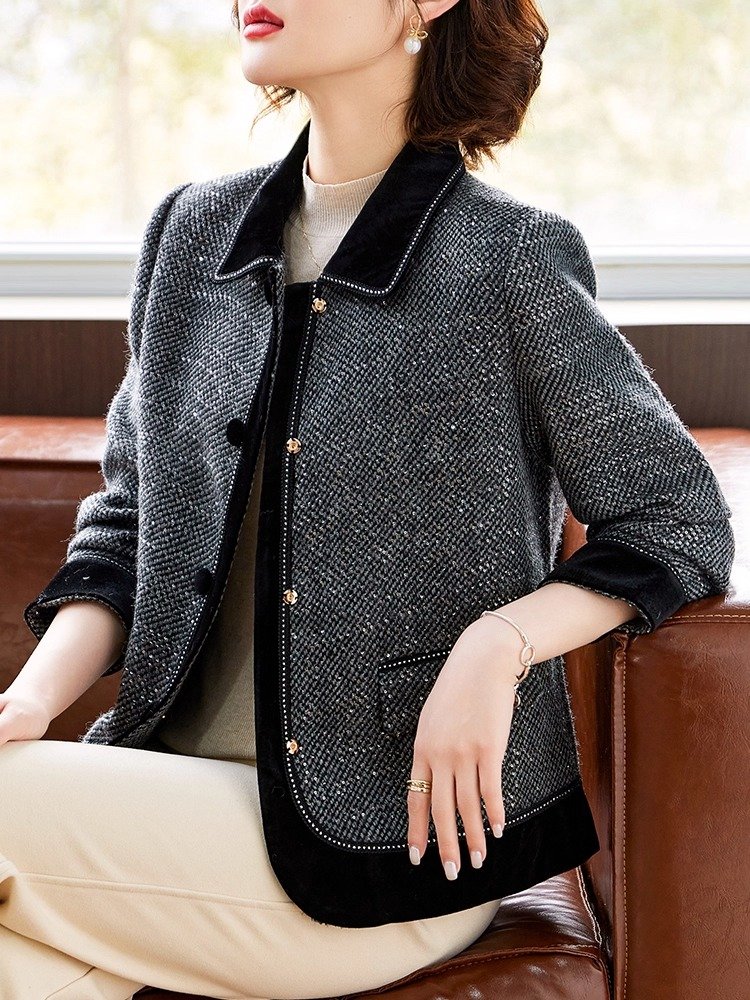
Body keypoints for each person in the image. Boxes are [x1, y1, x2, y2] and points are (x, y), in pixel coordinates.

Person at [0, 0, 735, 997]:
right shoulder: (192, 233)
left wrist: (499, 644)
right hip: (167, 800)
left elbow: (675, 519)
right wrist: (30, 701)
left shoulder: (506, 258)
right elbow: (129, 526)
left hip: (389, 850)